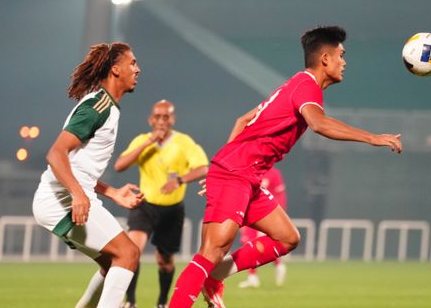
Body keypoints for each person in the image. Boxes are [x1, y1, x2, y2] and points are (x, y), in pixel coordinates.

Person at [168, 26, 403, 308]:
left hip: (244, 176)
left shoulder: (296, 85)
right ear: (325, 58)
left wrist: (224, 164)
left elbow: (243, 120)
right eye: (341, 55)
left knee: (287, 238)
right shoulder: (306, 87)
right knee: (212, 250)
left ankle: (213, 277)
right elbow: (319, 124)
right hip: (236, 174)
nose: (344, 62)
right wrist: (372, 137)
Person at [32, 42, 145, 308]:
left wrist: (112, 192)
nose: (138, 69)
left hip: (64, 197)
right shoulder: (98, 105)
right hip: (58, 200)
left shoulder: (108, 107)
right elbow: (56, 154)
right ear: (116, 69)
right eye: (133, 63)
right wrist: (79, 194)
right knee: (128, 254)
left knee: (111, 265)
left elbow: (79, 166)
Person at [114, 99, 209, 308]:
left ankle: (162, 302)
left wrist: (180, 180)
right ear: (150, 120)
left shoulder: (183, 142)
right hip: (144, 206)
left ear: (172, 119)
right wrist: (148, 143)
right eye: (157, 116)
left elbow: (203, 168)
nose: (161, 121)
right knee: (132, 251)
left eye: (166, 116)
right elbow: (119, 165)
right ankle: (130, 302)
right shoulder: (141, 140)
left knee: (164, 261)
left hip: (172, 210)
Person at [237, 167, 287, 289]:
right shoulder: (248, 171)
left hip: (266, 214)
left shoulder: (274, 173)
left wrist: (277, 216)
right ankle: (252, 277)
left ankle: (278, 265)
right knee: (246, 243)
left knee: (262, 246)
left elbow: (280, 195)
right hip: (249, 213)